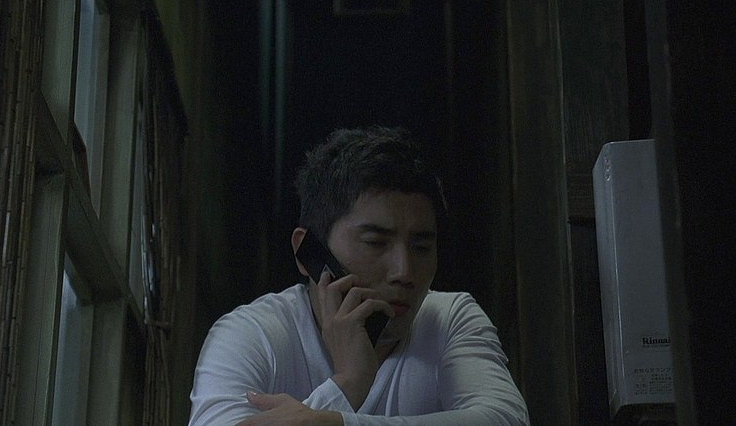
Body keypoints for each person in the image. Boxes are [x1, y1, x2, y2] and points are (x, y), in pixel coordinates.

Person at [189, 127, 529, 425]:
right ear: (308, 251)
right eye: (375, 243)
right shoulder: (251, 336)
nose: (404, 272)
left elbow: (505, 419)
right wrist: (348, 384)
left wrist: (334, 421)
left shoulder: (449, 319)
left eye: (421, 247)